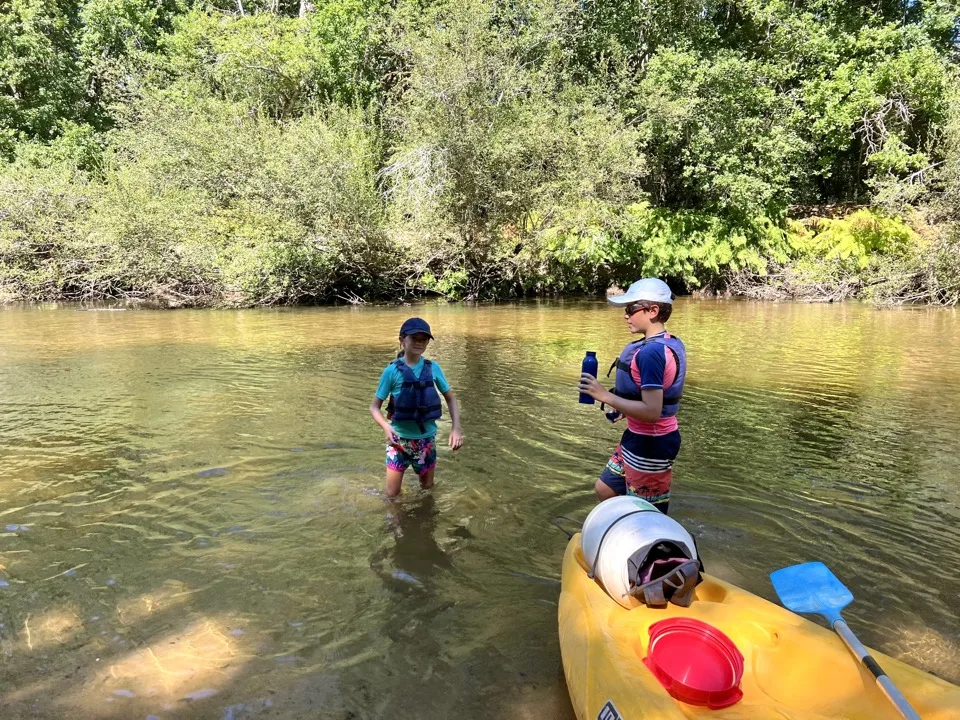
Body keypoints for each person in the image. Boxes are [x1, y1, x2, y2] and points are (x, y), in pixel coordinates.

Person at [577, 278, 686, 514]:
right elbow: (648, 401)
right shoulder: (665, 343)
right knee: (605, 488)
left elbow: (652, 411)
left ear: (653, 311)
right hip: (637, 436)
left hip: (653, 443)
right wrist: (624, 409)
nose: (625, 315)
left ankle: (649, 542)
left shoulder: (651, 354)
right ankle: (620, 528)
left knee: (648, 512)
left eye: (630, 309)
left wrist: (604, 396)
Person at [370, 317, 463, 497]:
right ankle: (395, 524)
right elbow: (374, 407)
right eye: (414, 338)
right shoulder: (392, 371)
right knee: (392, 496)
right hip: (398, 442)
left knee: (427, 491)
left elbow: (451, 398)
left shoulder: (433, 368)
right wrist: (386, 427)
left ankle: (425, 522)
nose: (419, 343)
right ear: (402, 340)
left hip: (426, 441)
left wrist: (456, 428)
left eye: (424, 339)